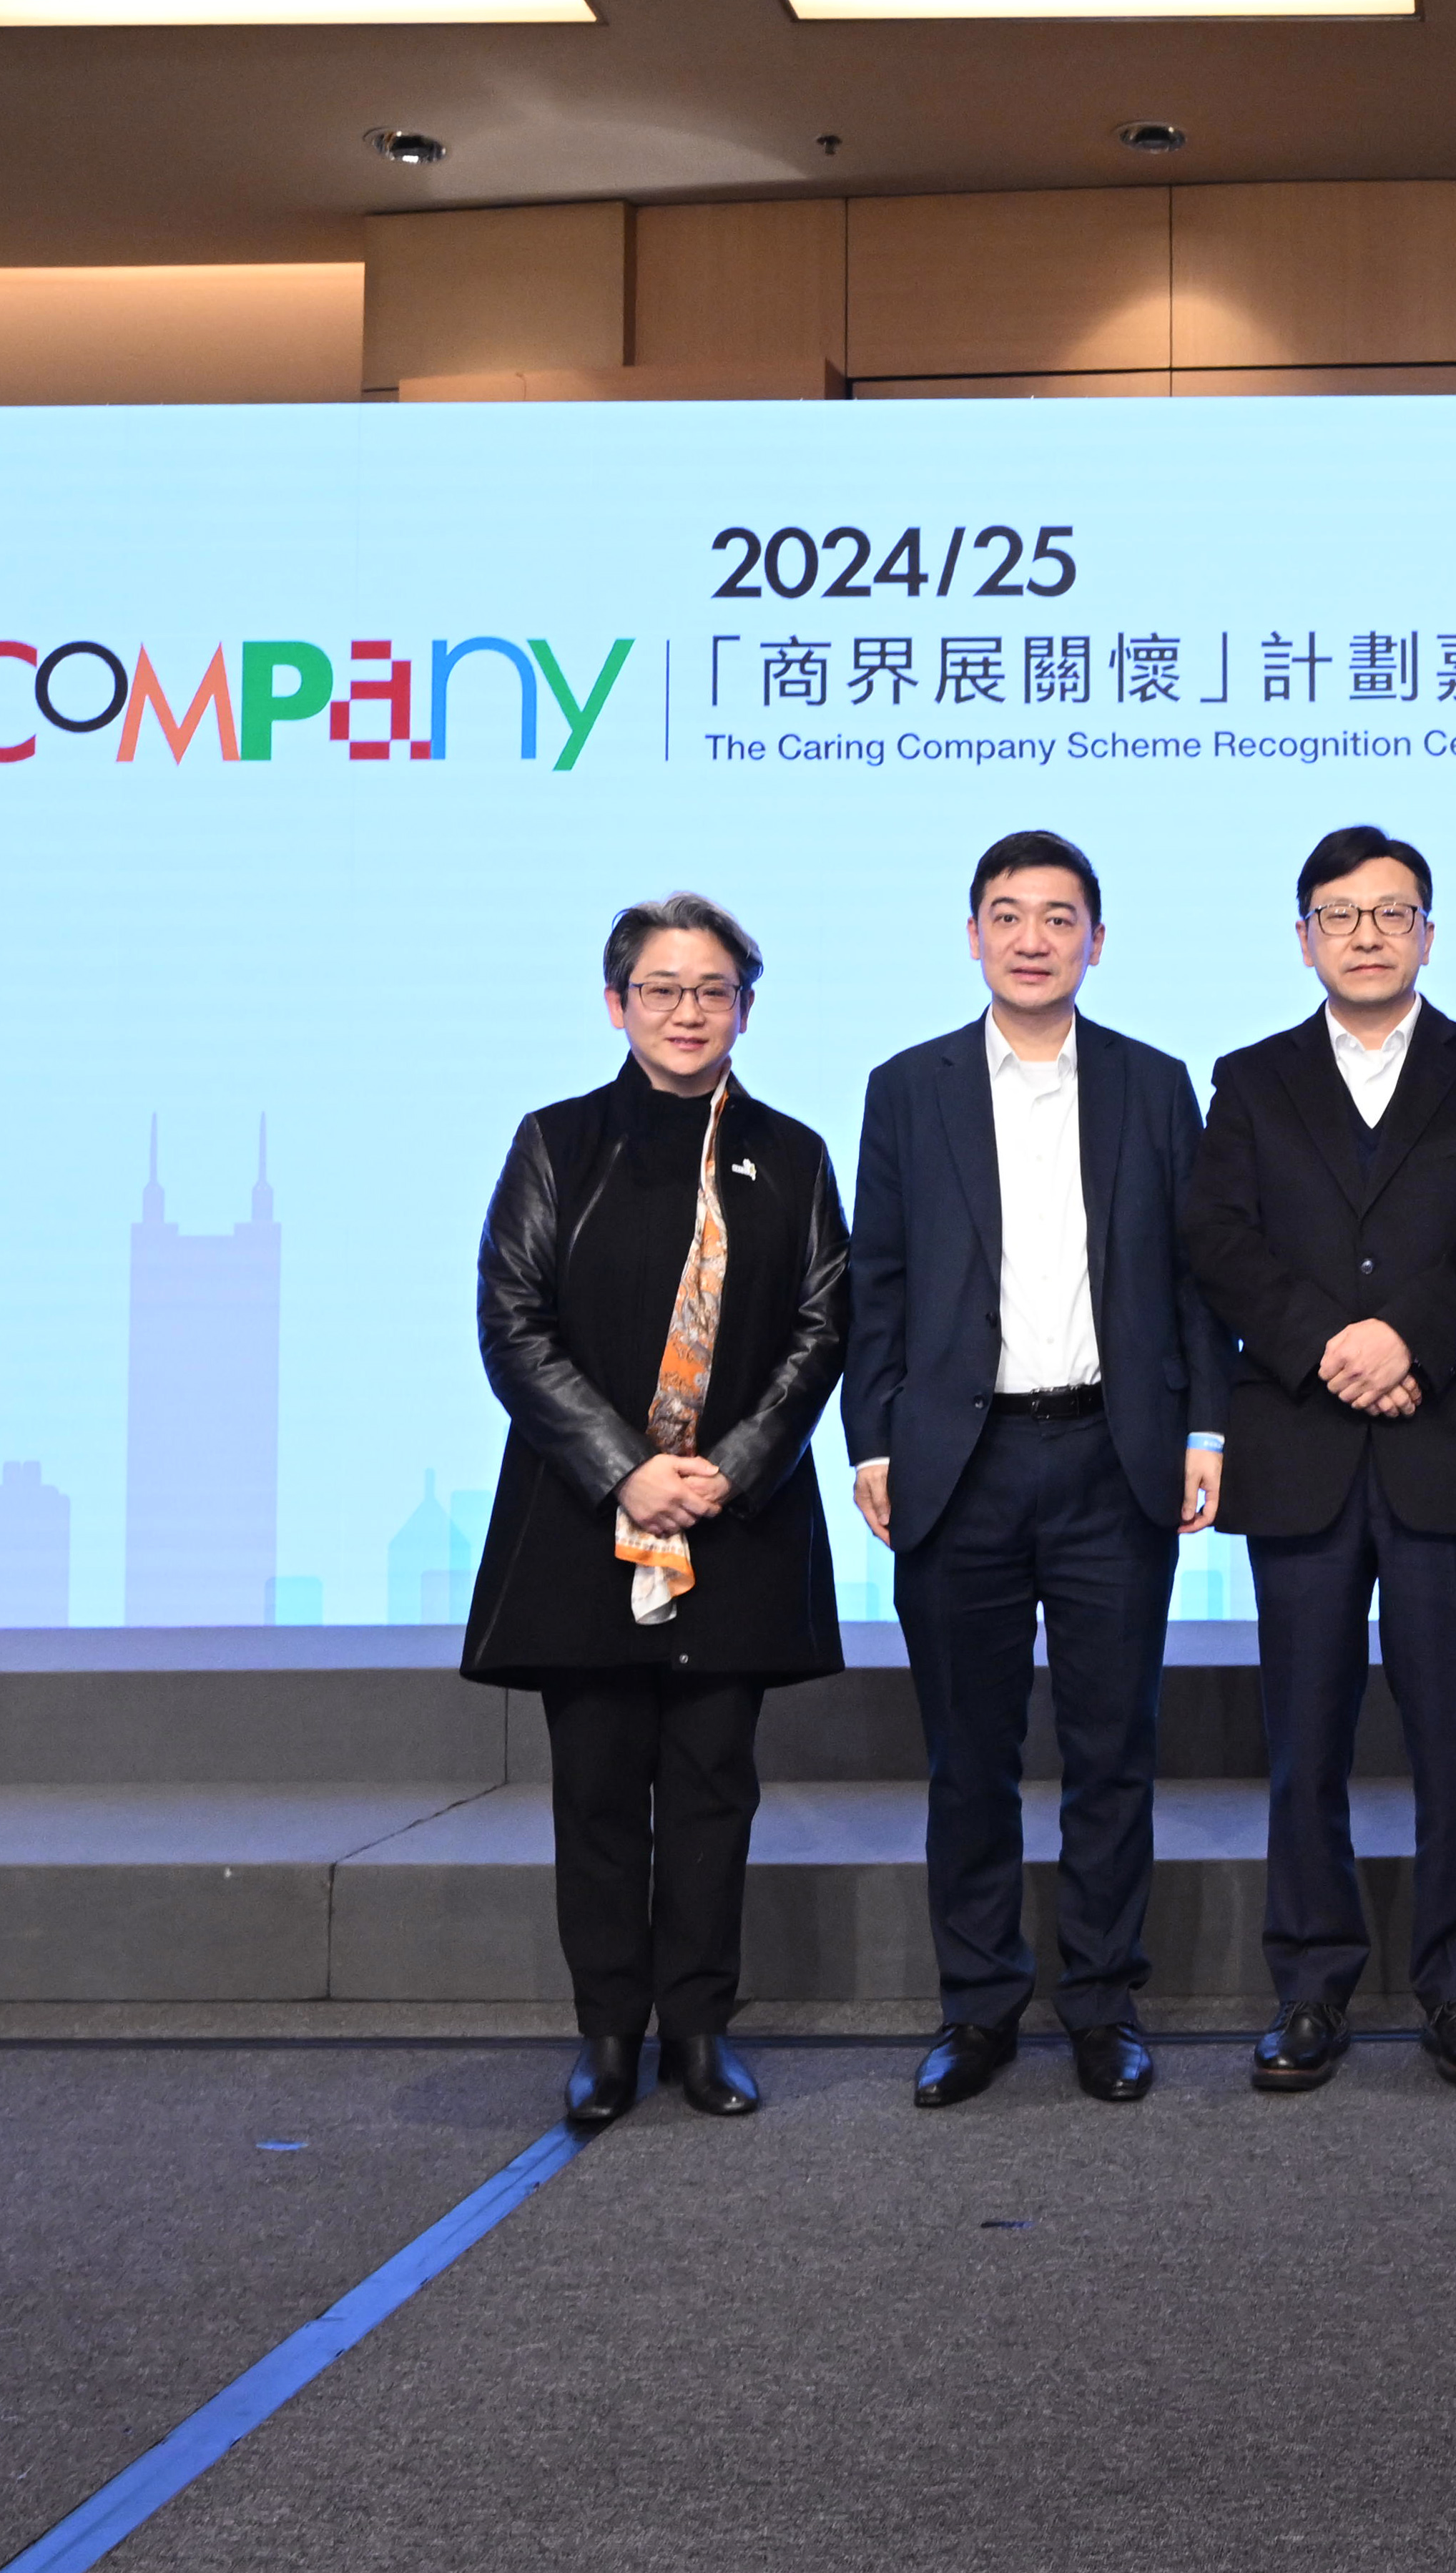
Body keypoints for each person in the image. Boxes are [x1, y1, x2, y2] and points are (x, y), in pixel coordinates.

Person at [847, 831, 1231, 2110]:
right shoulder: (907, 1089)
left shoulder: (1153, 1085)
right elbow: (879, 1286)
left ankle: (1105, 2002)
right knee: (970, 1754)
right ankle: (977, 2006)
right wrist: (875, 1439)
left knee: (1113, 1748)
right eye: (1005, 916)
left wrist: (1205, 1430)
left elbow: (1192, 1283)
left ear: (1095, 942)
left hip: (1111, 1455)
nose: (1029, 938)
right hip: (962, 1462)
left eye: (1056, 917)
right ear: (971, 935)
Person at [461, 893, 851, 2127]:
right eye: (663, 989)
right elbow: (511, 1323)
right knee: (595, 1791)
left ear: (746, 1007)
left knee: (710, 1787)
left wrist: (730, 1464)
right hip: (587, 1522)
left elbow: (821, 1325)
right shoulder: (557, 1142)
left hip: (734, 1523)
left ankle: (700, 2031)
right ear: (617, 1000)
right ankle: (607, 2039)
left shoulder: (790, 1154)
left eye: (714, 991)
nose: (689, 1013)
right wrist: (624, 1468)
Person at [1182, 826, 1456, 2092]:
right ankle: (1310, 1991)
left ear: (1429, 935)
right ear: (1302, 938)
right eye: (1339, 916)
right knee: (1304, 1738)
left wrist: (1407, 1341)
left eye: (1391, 914)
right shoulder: (1247, 1077)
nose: (1366, 935)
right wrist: (1327, 1346)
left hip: (1445, 1434)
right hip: (1300, 1440)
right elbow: (1219, 1238)